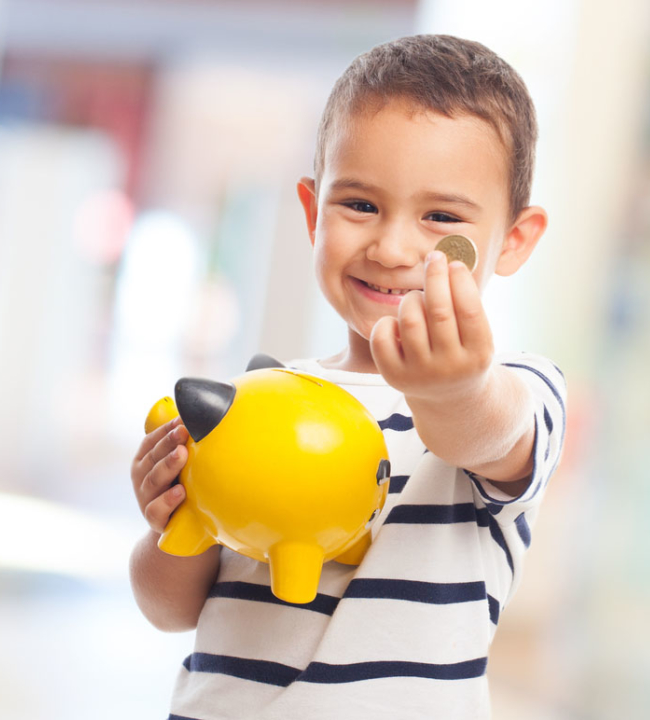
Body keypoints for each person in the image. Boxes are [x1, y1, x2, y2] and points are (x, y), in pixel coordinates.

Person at [129, 34, 567, 719]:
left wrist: (452, 387)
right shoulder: (256, 400)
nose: (391, 248)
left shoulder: (516, 389)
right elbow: (170, 611)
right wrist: (171, 525)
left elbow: (484, 432)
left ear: (513, 239)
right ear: (312, 211)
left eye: (441, 217)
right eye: (359, 205)